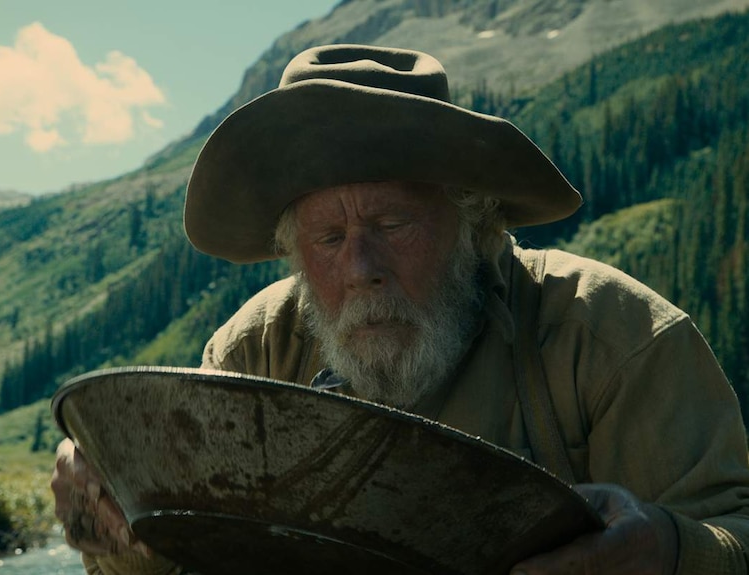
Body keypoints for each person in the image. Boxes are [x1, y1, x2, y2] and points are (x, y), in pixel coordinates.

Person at [51, 44, 749, 574]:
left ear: (473, 220)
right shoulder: (254, 353)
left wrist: (668, 546)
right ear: (295, 252)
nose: (361, 270)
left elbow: (734, 529)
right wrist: (119, 542)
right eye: (328, 238)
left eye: (391, 225)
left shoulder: (611, 335)